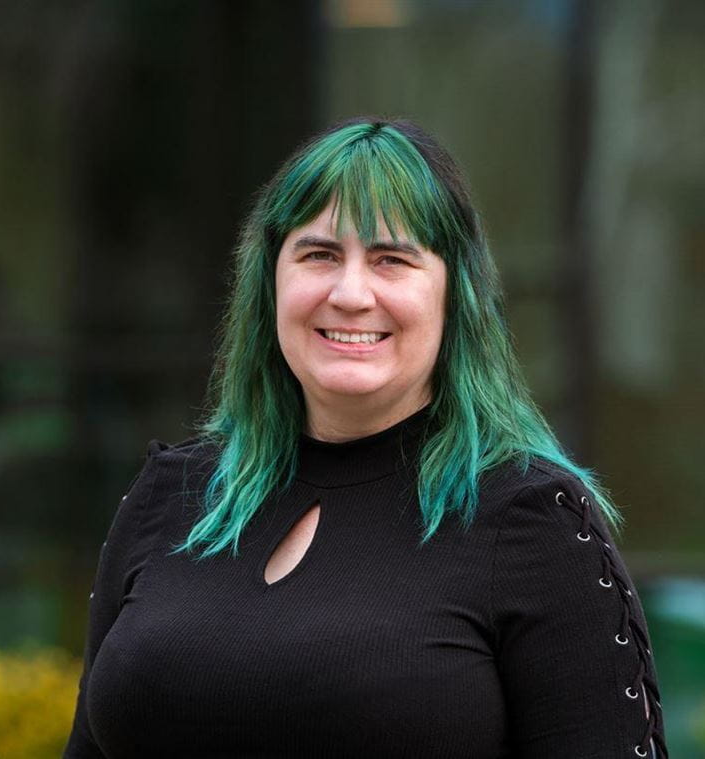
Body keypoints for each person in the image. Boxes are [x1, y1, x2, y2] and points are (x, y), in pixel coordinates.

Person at [64, 118, 667, 758]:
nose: (351, 294)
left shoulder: (529, 521)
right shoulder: (172, 496)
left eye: (392, 259)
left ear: (453, 296)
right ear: (271, 282)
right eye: (319, 254)